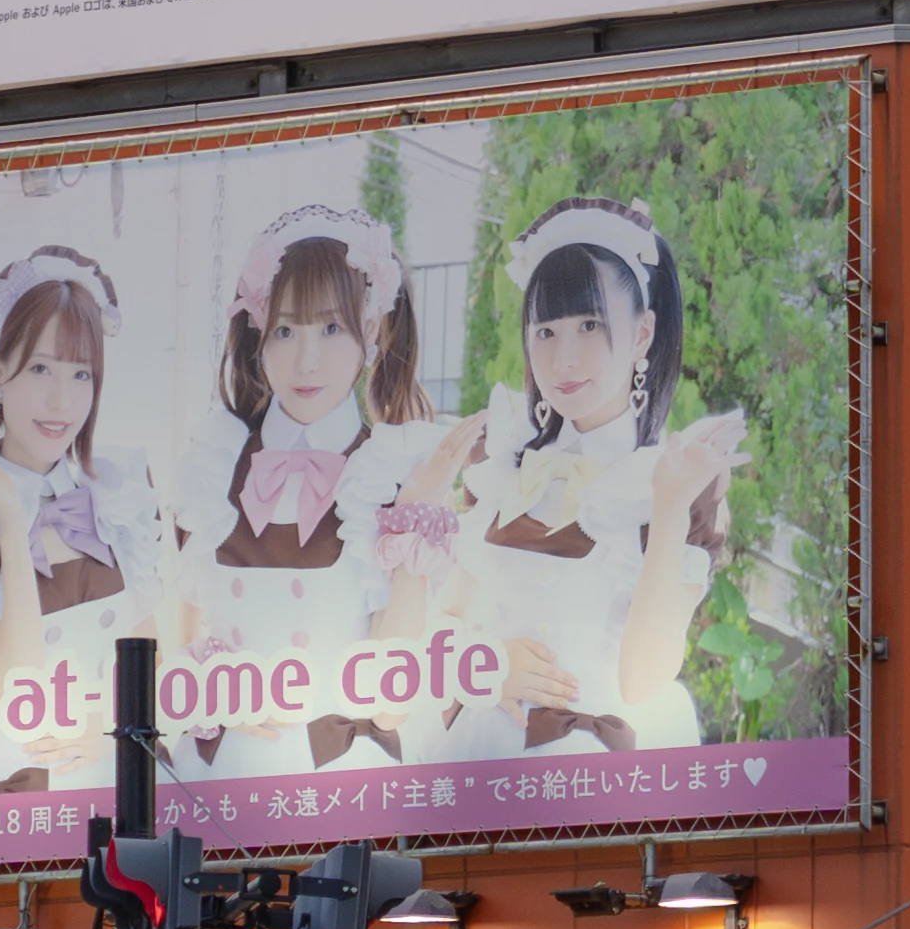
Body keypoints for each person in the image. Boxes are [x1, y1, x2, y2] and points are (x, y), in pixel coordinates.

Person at [433, 200, 747, 758]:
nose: (564, 359)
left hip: (601, 770)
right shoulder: (502, 463)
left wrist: (671, 506)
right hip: (483, 752)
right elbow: (446, 618)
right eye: (546, 332)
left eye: (590, 325)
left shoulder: (679, 479)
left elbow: (643, 680)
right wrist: (482, 667)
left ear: (643, 333)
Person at [183, 204, 431, 780]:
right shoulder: (212, 467)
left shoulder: (393, 475)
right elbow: (177, 646)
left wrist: (424, 501)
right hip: (221, 781)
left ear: (371, 331)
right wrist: (211, 691)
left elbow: (396, 698)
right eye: (286, 330)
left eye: (331, 328)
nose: (306, 358)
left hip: (345, 782)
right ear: (258, 336)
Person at [0, 245, 162, 794]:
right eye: (40, 368)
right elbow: (12, 692)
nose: (61, 400)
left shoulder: (116, 490)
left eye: (81, 374)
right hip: (15, 803)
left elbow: (149, 669)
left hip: (119, 784)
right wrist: (10, 525)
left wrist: (109, 734)